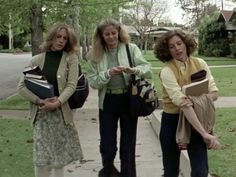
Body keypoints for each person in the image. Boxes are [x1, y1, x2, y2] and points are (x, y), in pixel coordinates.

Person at [86, 18, 152, 177]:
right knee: (107, 147)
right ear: (101, 36)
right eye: (106, 34)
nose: (111, 37)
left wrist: (132, 70)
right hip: (107, 103)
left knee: (128, 147)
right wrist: (108, 73)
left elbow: (147, 69)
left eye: (113, 33)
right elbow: (93, 82)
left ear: (119, 33)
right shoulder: (95, 54)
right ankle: (108, 172)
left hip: (128, 100)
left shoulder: (131, 48)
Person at [17, 23, 83, 177]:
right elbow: (21, 87)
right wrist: (40, 101)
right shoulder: (36, 60)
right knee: (41, 160)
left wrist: (58, 102)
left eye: (65, 38)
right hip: (41, 116)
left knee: (58, 160)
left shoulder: (71, 59)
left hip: (61, 115)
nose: (61, 41)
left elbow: (71, 85)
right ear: (51, 37)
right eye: (58, 37)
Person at [153, 30, 220, 177]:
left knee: (201, 171)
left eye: (179, 43)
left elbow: (214, 93)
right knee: (171, 171)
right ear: (167, 50)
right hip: (172, 122)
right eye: (171, 46)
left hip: (195, 120)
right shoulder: (166, 71)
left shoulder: (200, 63)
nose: (177, 48)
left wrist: (195, 101)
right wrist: (204, 133)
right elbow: (182, 103)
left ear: (186, 44)